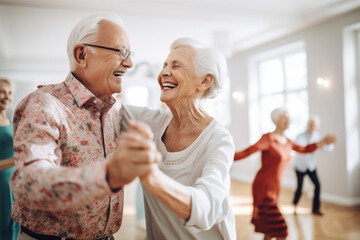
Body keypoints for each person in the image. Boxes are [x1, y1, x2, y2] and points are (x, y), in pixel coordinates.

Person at [10, 13, 159, 240]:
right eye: (121, 52)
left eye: (129, 54)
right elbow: (29, 184)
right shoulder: (45, 104)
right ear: (82, 55)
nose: (129, 63)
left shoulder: (114, 111)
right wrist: (109, 175)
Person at [127, 38, 236, 239]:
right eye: (165, 65)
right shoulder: (154, 122)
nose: (164, 73)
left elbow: (207, 205)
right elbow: (108, 107)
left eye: (176, 66)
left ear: (204, 81)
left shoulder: (219, 140)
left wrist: (151, 177)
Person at [233, 108, 336, 240]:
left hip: (275, 188)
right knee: (282, 230)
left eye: (289, 117)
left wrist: (322, 142)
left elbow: (304, 149)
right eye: (284, 117)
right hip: (263, 188)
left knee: (269, 230)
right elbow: (248, 151)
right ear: (276, 120)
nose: (288, 120)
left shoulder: (288, 141)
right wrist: (227, 155)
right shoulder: (268, 138)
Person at [292, 115, 335, 216]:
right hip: (300, 166)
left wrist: (329, 142)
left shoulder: (318, 137)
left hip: (311, 166)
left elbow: (326, 148)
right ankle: (294, 205)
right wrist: (320, 143)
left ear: (317, 126)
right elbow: (302, 149)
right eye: (310, 123)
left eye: (314, 124)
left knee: (318, 185)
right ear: (307, 124)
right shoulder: (300, 136)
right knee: (299, 188)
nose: (312, 125)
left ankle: (315, 209)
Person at [0, 78, 20, 240]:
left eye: (9, 92)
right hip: (0, 186)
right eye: (1, 91)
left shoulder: (9, 118)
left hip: (13, 184)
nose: (6, 96)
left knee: (14, 226)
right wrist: (18, 159)